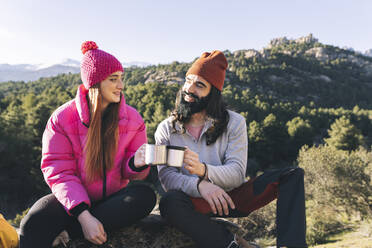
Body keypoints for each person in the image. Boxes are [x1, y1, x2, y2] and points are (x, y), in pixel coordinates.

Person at [156, 51, 307, 248]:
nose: (189, 89)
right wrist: (201, 186)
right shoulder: (167, 128)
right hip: (194, 201)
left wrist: (204, 171)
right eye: (188, 80)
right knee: (169, 202)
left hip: (231, 198)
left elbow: (236, 174)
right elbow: (167, 177)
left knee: (292, 175)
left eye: (200, 85)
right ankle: (230, 244)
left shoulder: (235, 122)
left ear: (213, 93)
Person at [19, 41, 156, 248]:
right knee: (32, 222)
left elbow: (134, 175)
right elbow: (58, 172)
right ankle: (80, 225)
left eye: (121, 78)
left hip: (113, 200)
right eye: (113, 79)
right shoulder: (62, 119)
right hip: (73, 203)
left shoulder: (133, 119)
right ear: (95, 83)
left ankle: (69, 232)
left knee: (145, 197)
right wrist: (84, 216)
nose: (121, 85)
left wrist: (136, 165)